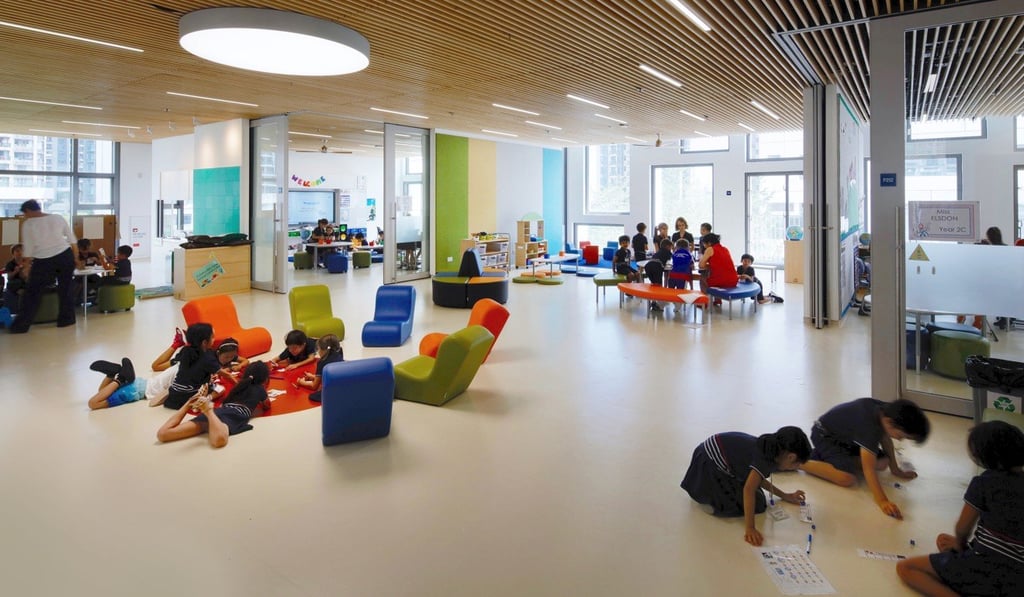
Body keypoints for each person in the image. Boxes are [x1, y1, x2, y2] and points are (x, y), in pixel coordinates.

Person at [896, 421, 1024, 596]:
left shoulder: (984, 482)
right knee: (944, 540)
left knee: (906, 568)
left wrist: (961, 546)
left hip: (983, 566)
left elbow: (962, 528)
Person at [801, 398, 930, 519]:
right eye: (903, 436)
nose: (901, 439)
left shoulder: (885, 412)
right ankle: (802, 462)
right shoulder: (870, 427)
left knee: (883, 462)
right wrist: (882, 501)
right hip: (825, 436)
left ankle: (832, 458)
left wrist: (896, 470)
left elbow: (886, 440)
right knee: (846, 479)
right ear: (890, 423)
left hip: (847, 439)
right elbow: (868, 469)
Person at [680, 426, 811, 546]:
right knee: (757, 506)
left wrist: (784, 495)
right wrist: (750, 528)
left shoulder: (769, 447)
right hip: (709, 468)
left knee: (757, 500)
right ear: (790, 457)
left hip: (708, 454)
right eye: (797, 465)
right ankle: (708, 500)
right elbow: (748, 489)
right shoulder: (764, 459)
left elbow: (757, 478)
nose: (796, 468)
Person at [156, 361, 272, 449]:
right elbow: (267, 406)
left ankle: (190, 403)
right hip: (234, 415)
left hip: (219, 413)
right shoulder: (260, 389)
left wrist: (189, 404)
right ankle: (208, 410)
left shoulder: (238, 387)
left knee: (163, 435)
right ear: (264, 379)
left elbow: (162, 435)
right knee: (219, 440)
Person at [9, 199, 78, 333]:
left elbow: (28, 248)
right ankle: (67, 319)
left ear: (28, 211)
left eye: (25, 213)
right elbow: (72, 239)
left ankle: (21, 326)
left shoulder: (29, 224)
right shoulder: (57, 217)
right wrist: (75, 257)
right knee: (66, 288)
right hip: (65, 255)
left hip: (43, 260)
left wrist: (27, 267)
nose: (25, 216)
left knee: (32, 292)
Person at [164, 323, 221, 410]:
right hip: (190, 395)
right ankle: (205, 400)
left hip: (174, 393)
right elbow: (223, 373)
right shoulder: (208, 357)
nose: (214, 339)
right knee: (220, 389)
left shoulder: (185, 350)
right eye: (212, 337)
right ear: (204, 342)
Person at [296, 334, 344, 402]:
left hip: (333, 391)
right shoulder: (339, 353)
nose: (318, 352)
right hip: (344, 387)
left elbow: (314, 386)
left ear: (323, 350)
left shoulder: (322, 362)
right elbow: (332, 375)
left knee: (312, 396)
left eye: (318, 349)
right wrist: (313, 377)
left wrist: (301, 382)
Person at [698, 233, 739, 298]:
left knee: (702, 278)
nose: (704, 246)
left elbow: (701, 265)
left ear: (709, 243)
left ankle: (704, 301)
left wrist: (708, 265)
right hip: (734, 280)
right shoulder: (725, 249)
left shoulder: (710, 249)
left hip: (721, 282)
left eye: (704, 244)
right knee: (715, 273)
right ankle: (717, 299)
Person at [3, 244, 29, 313]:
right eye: (17, 251)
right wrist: (15, 271)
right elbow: (9, 277)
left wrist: (23, 271)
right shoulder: (9, 264)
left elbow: (26, 277)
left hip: (24, 282)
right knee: (15, 282)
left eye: (21, 251)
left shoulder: (26, 262)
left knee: (29, 282)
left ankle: (22, 290)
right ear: (13, 253)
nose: (20, 253)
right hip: (14, 283)